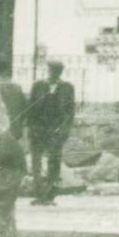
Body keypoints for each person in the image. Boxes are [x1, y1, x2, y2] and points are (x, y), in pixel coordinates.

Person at [27, 61, 75, 205]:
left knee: (54, 162)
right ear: (47, 70)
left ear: (61, 71)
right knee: (36, 162)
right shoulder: (38, 86)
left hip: (56, 129)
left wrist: (65, 129)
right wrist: (31, 128)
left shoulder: (67, 87)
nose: (54, 72)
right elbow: (30, 108)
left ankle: (50, 195)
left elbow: (70, 110)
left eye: (57, 70)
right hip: (38, 129)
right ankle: (38, 194)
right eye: (52, 69)